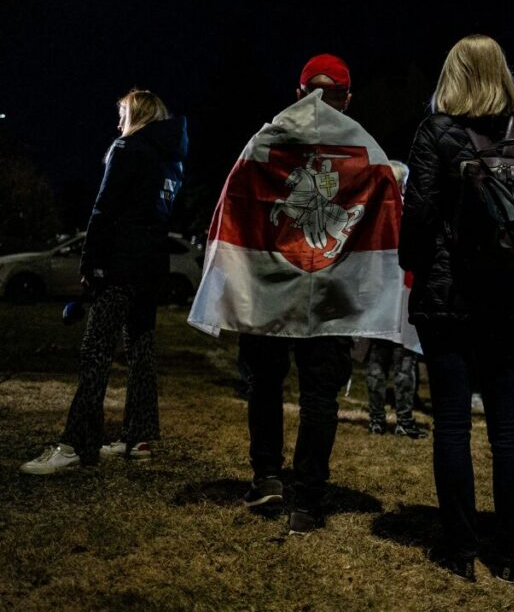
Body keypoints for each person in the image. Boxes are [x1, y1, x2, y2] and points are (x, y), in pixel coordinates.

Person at [188, 53, 405, 535]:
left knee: (266, 384)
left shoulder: (267, 140)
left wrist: (235, 275)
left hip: (270, 285)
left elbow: (233, 206)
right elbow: (389, 213)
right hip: (332, 291)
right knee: (319, 395)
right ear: (347, 98)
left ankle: (267, 476)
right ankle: (307, 498)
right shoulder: (366, 150)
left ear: (299, 92)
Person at [399, 34, 514, 584]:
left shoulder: (436, 131)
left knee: (452, 422)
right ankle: (507, 550)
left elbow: (420, 214)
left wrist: (413, 264)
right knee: (508, 428)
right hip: (506, 293)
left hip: (449, 293)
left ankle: (458, 546)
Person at [21, 90, 187, 473]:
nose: (118, 124)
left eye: (123, 115)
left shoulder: (127, 150)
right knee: (140, 352)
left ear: (138, 115)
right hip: (151, 270)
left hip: (120, 268)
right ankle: (139, 437)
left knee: (96, 351)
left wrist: (91, 261)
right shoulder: (172, 159)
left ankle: (75, 444)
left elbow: (104, 209)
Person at [364, 160, 426, 440]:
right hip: (404, 291)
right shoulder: (408, 212)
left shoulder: (371, 213)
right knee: (404, 361)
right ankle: (404, 420)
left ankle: (376, 419)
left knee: (378, 358)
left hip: (379, 293)